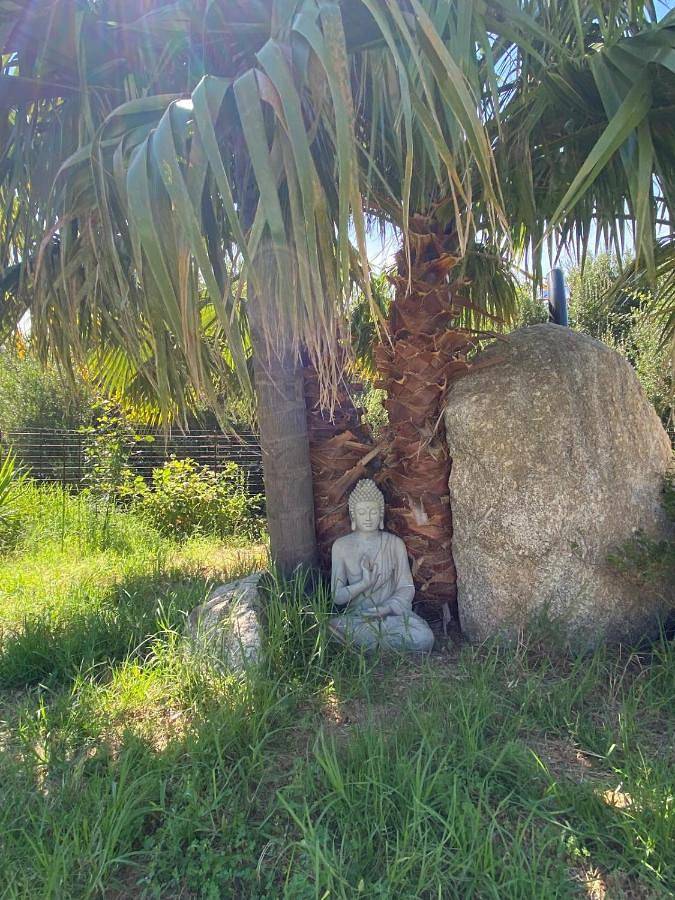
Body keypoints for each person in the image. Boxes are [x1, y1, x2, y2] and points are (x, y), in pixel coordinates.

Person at [329, 479, 434, 652]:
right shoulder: (341, 546)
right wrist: (364, 584)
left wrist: (386, 608)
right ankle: (381, 644)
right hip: (359, 618)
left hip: (392, 617)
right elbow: (337, 596)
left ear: (381, 514)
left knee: (424, 637)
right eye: (362, 512)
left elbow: (406, 587)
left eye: (373, 512)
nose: (368, 517)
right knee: (331, 628)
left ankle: (368, 646)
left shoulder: (394, 544)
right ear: (353, 515)